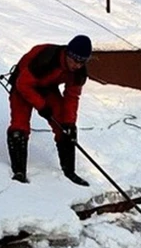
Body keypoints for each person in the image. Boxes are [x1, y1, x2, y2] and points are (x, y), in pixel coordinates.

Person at [7, 35, 92, 186]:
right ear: (68, 54)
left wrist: (69, 124)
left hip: (47, 87)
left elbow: (72, 97)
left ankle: (69, 171)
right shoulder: (47, 59)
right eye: (75, 60)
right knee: (19, 125)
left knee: (64, 126)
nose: (78, 65)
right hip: (23, 85)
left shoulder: (79, 72)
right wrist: (41, 106)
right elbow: (23, 84)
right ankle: (19, 172)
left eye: (82, 62)